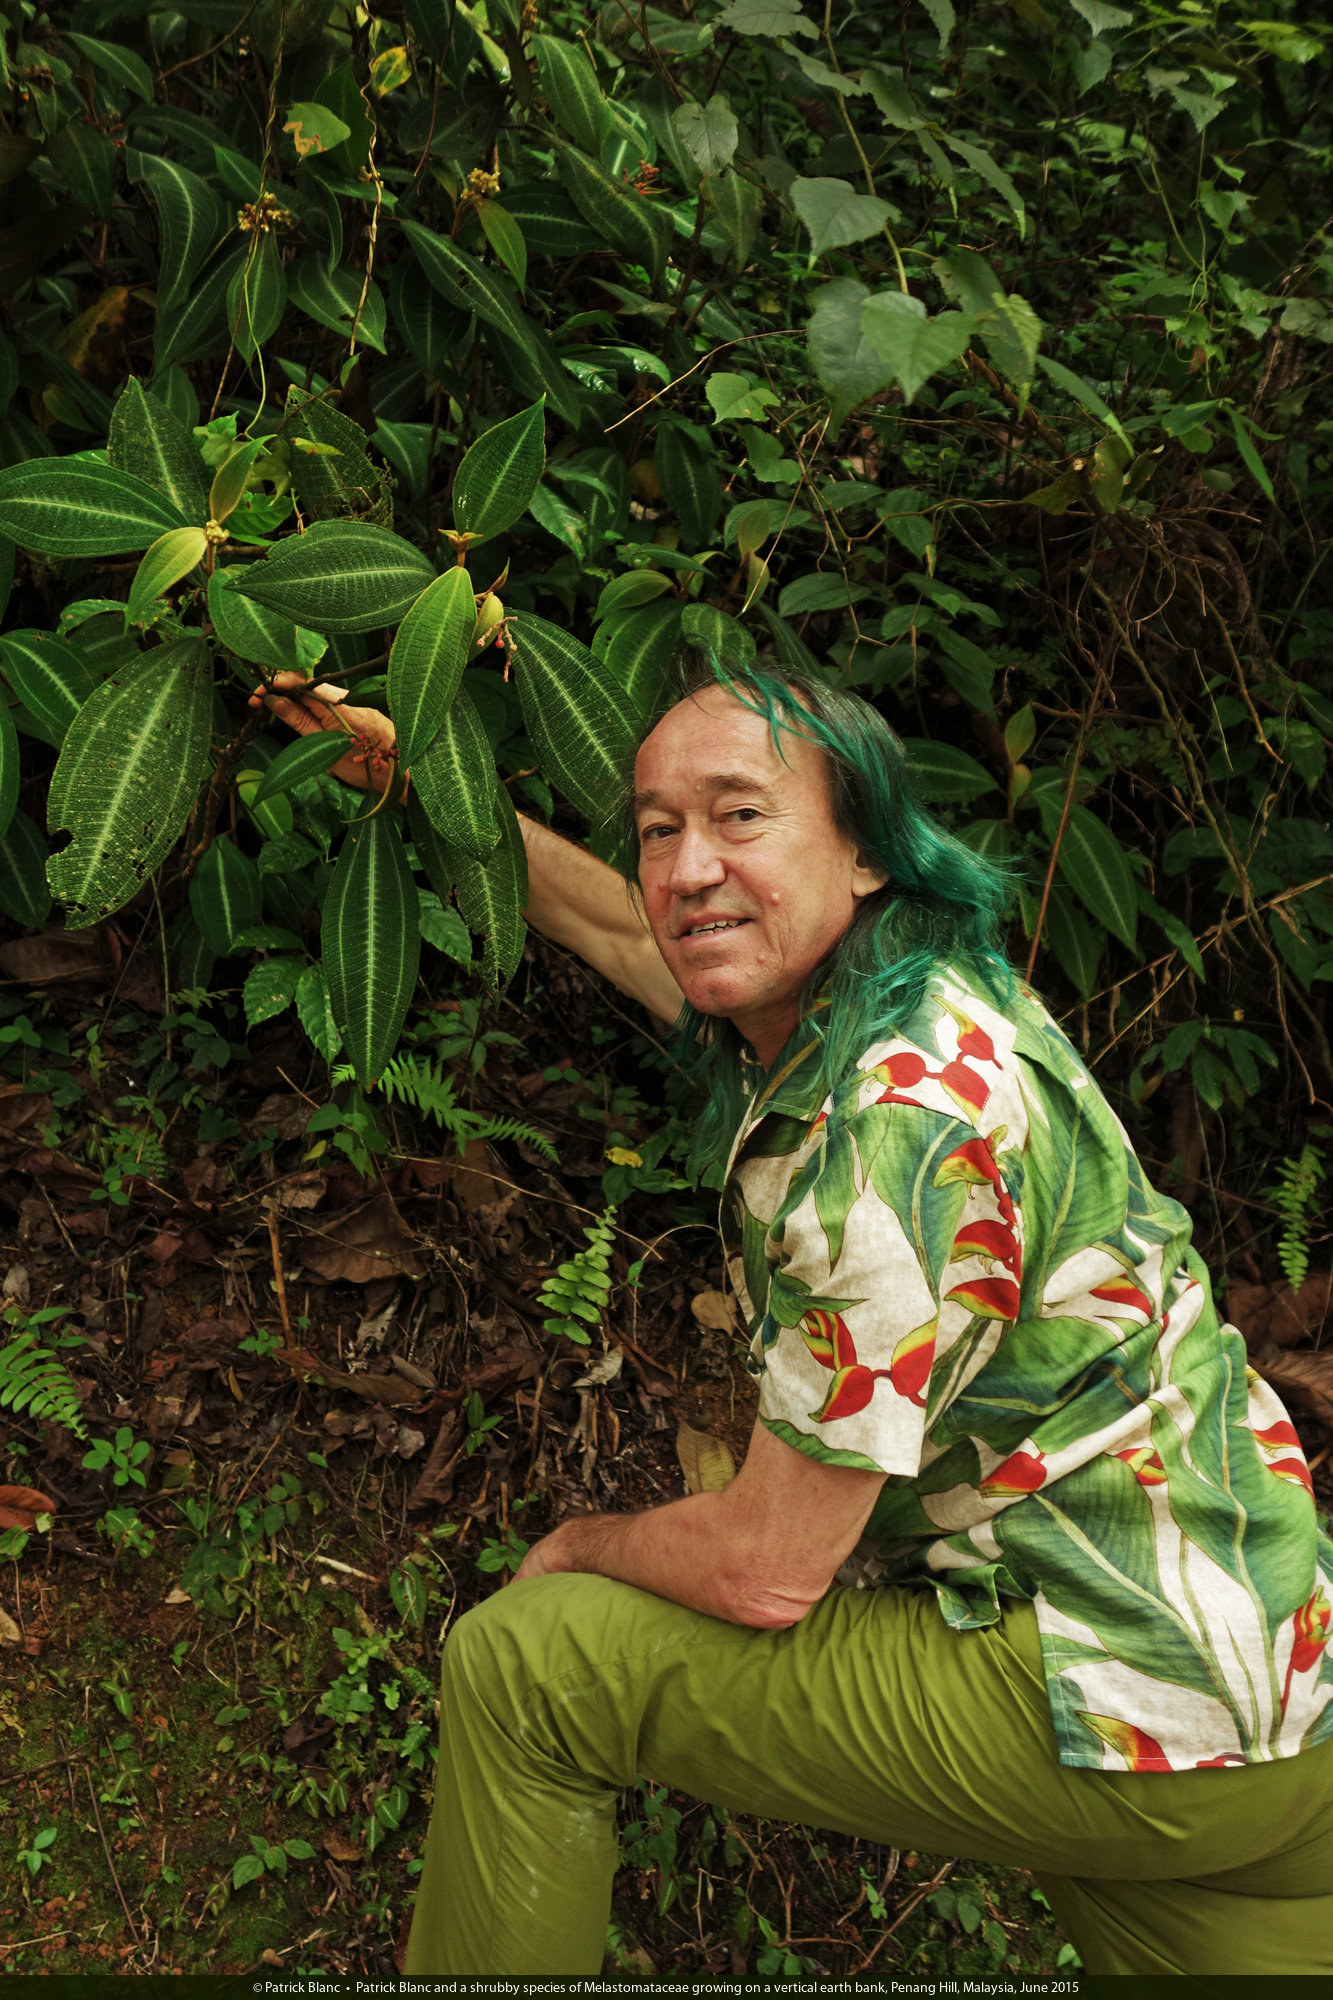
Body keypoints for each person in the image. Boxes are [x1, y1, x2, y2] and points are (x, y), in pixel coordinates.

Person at [257, 662, 1333, 1975]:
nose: (687, 869)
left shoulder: (880, 1151)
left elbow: (765, 1570)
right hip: (1275, 1687)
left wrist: (580, 1546)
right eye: (659, 828)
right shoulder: (927, 997)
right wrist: (420, 779)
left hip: (1119, 1697)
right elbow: (617, 929)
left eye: (740, 816)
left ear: (866, 851)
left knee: (531, 1667)